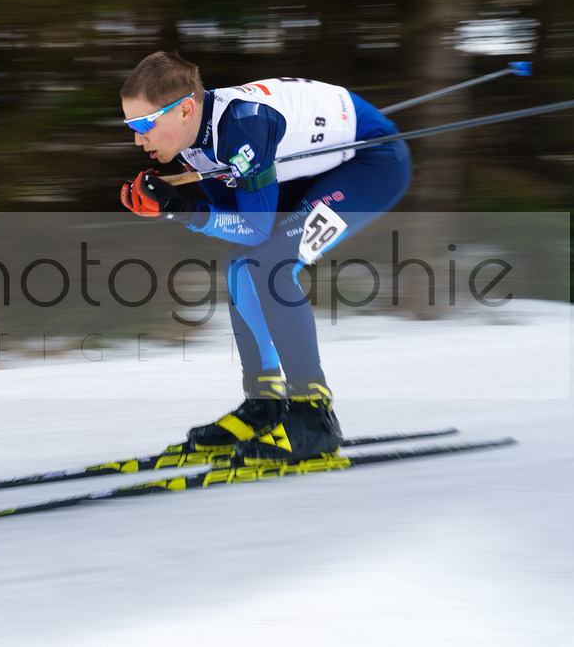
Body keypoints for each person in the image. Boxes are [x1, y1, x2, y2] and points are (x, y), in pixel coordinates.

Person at [119, 51, 412, 462]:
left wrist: (179, 209)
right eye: (130, 125)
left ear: (185, 110)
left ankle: (314, 415)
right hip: (316, 164)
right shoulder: (194, 141)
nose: (137, 138)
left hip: (372, 163)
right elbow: (239, 222)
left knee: (271, 265)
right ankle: (265, 405)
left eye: (145, 124)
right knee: (242, 264)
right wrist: (178, 206)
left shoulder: (244, 128)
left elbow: (255, 227)